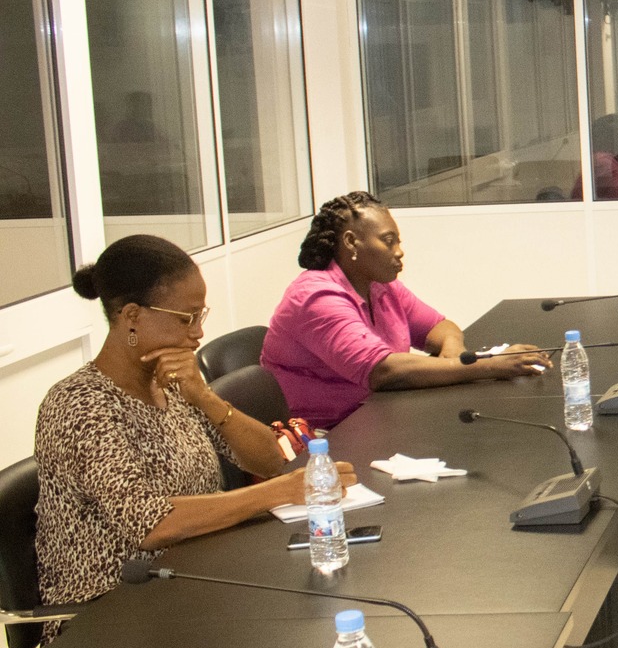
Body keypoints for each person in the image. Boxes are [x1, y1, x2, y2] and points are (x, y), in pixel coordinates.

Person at [34, 236, 338, 619]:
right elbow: (150, 524)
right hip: (112, 613)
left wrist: (206, 398)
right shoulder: (79, 405)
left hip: (192, 582)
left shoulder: (173, 384)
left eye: (200, 316)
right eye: (185, 318)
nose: (197, 333)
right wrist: (276, 494)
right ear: (131, 316)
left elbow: (269, 461)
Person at [263, 192, 550, 431]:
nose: (399, 251)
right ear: (351, 242)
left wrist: (454, 360)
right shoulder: (316, 297)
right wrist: (487, 366)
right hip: (328, 438)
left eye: (398, 241)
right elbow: (383, 371)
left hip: (379, 416)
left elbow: (442, 328)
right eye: (389, 241)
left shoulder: (379, 285)